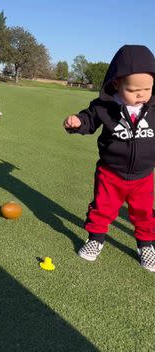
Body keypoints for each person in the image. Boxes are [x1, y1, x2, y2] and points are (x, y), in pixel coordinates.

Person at [64, 44, 155, 272]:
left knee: (144, 213)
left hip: (143, 176)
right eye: (134, 90)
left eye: (147, 88)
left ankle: (146, 245)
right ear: (116, 83)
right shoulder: (105, 107)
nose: (141, 95)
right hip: (110, 173)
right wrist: (78, 122)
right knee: (102, 208)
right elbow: (89, 119)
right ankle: (95, 239)